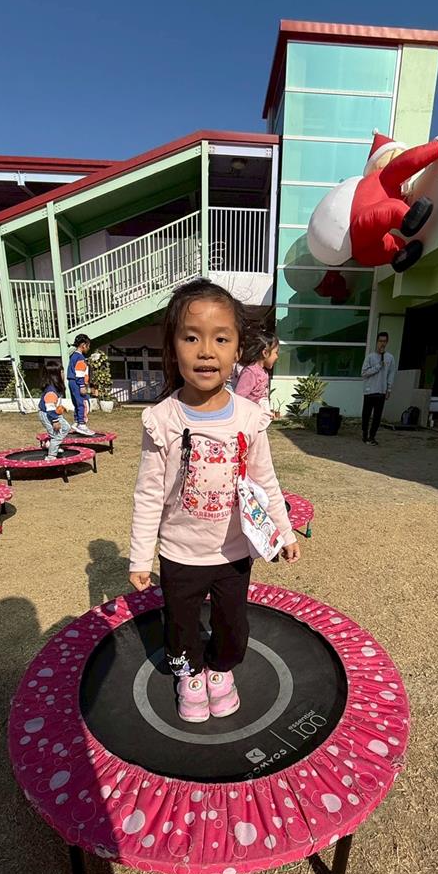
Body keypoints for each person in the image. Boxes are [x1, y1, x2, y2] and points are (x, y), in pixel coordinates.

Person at [129, 279, 299, 723]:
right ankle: (189, 675)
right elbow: (148, 494)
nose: (206, 351)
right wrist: (141, 556)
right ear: (173, 348)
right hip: (180, 553)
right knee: (181, 625)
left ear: (238, 348)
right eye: (191, 338)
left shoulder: (249, 417)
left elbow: (265, 480)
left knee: (232, 622)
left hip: (234, 552)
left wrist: (283, 532)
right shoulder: (162, 419)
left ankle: (221, 669)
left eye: (221, 339)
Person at [361, 331, 396, 444]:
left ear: (387, 342)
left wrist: (389, 389)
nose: (382, 344)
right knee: (366, 414)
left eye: (384, 341)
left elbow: (391, 374)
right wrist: (377, 366)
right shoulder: (370, 357)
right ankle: (364, 434)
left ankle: (372, 436)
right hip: (370, 390)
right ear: (377, 342)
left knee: (377, 416)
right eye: (380, 341)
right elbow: (364, 373)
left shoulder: (390, 358)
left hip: (381, 391)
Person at [234, 331, 279, 413]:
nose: (277, 356)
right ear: (265, 353)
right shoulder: (250, 372)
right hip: (251, 416)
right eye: (276, 352)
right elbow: (239, 398)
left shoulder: (263, 372)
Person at [37, 365, 71, 461]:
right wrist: (55, 421)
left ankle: (51, 443)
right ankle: (51, 456)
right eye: (62, 372)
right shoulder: (51, 391)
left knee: (66, 427)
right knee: (57, 435)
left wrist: (61, 408)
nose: (64, 374)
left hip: (53, 413)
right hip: (47, 415)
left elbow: (54, 404)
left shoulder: (56, 388)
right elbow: (50, 408)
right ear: (55, 375)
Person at [67, 334, 96, 437]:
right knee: (82, 403)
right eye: (88, 345)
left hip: (72, 382)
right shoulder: (80, 357)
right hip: (77, 382)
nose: (89, 348)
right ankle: (81, 424)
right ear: (83, 345)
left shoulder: (73, 356)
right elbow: (79, 373)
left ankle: (76, 422)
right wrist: (82, 386)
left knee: (77, 403)